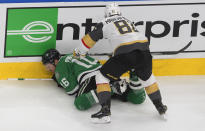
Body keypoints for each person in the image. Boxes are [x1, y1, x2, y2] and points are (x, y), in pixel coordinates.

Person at [74, 3, 167, 123]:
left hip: (125, 54)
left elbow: (90, 38)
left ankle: (105, 112)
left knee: (101, 77)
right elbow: (129, 38)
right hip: (144, 51)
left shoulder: (104, 22)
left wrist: (78, 52)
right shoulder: (128, 21)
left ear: (106, 13)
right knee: (148, 79)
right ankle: (160, 107)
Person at [42, 49, 146, 111]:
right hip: (106, 72)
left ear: (55, 61)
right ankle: (134, 74)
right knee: (138, 98)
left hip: (91, 78)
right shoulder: (75, 54)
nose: (48, 69)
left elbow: (72, 90)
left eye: (48, 66)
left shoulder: (60, 67)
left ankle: (111, 89)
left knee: (80, 103)